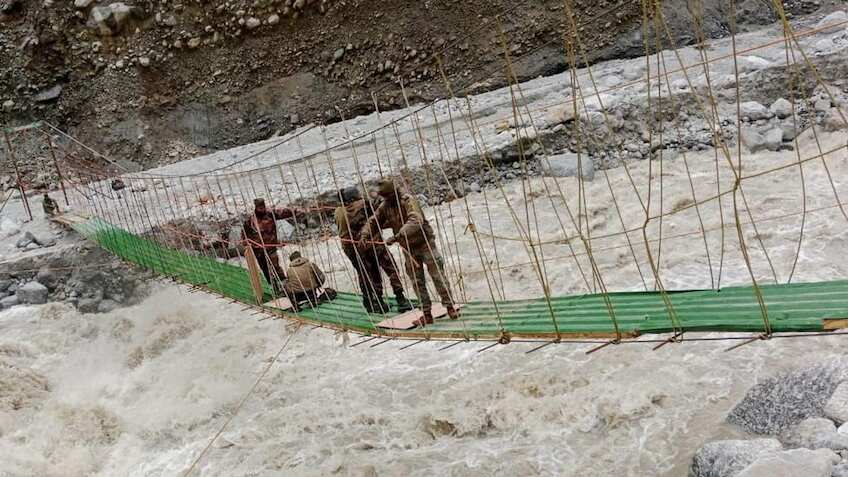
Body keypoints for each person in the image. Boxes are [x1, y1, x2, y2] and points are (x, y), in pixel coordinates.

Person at [360, 179, 458, 327]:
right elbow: (374, 221)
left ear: (393, 193)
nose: (384, 199)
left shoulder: (408, 201)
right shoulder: (385, 206)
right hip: (408, 249)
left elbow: (416, 220)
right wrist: (365, 235)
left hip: (425, 244)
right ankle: (426, 314)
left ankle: (450, 307)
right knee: (417, 282)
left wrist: (398, 236)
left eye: (386, 196)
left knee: (438, 277)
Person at [334, 186, 412, 314]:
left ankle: (375, 303)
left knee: (367, 274)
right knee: (390, 268)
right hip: (372, 243)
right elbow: (379, 217)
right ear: (354, 198)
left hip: (351, 247)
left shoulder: (338, 211)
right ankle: (401, 299)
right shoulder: (363, 205)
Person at [242, 198, 299, 294]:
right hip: (258, 250)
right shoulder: (251, 221)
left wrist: (295, 211)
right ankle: (274, 288)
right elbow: (244, 234)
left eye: (263, 207)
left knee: (276, 267)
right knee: (265, 269)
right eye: (260, 208)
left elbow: (283, 213)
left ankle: (285, 287)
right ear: (256, 208)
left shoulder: (270, 214)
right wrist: (246, 243)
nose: (262, 209)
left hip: (271, 247)